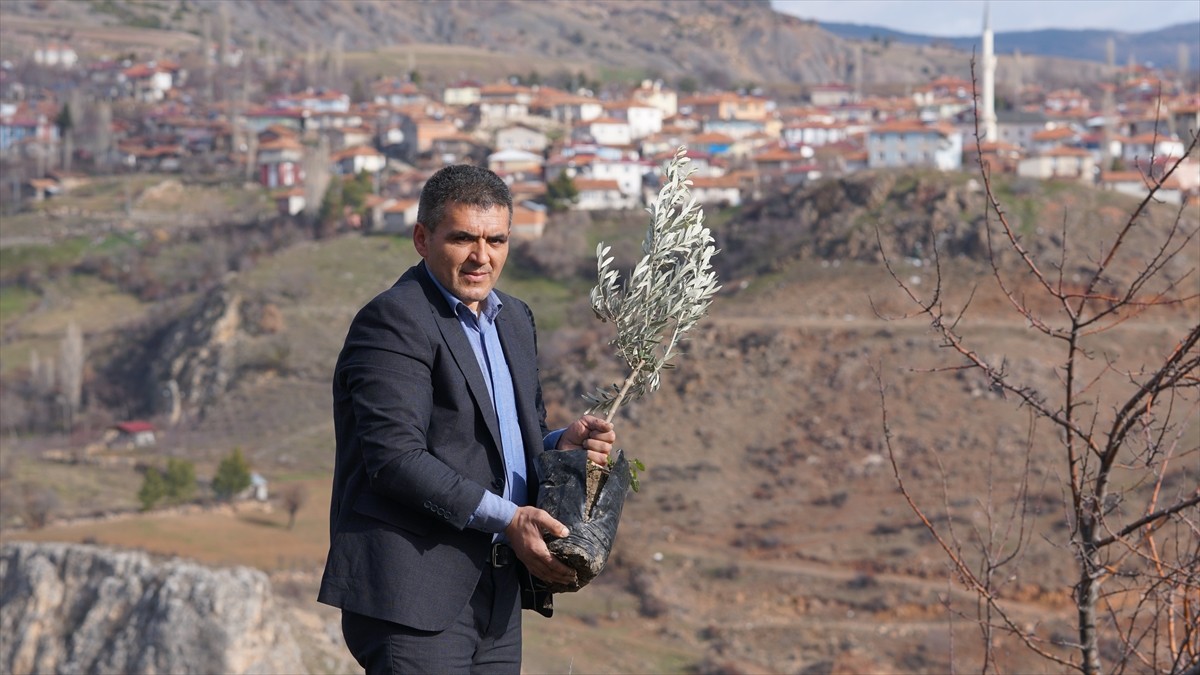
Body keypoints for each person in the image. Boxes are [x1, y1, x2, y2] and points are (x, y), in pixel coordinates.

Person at [318, 163, 616, 674]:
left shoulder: (514, 319)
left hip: (499, 591)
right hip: (414, 596)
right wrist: (511, 518)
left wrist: (558, 443)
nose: (482, 257)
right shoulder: (393, 321)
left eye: (496, 240)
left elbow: (497, 444)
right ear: (421, 238)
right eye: (463, 239)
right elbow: (394, 459)